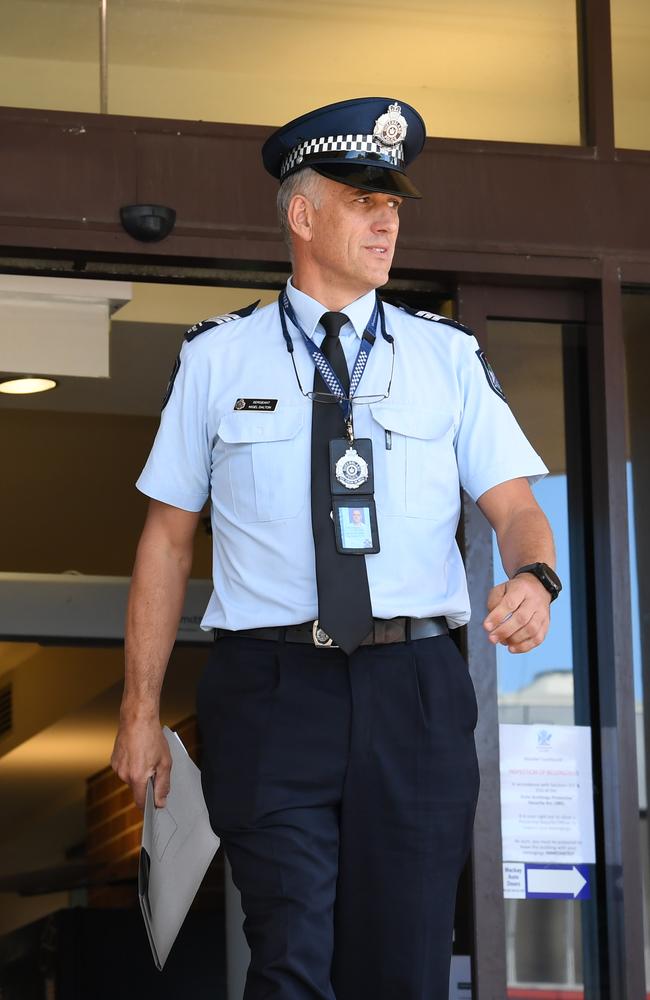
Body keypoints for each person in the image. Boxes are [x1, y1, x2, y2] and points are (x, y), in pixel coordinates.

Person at [111, 97, 560, 999]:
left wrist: (536, 575)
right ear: (303, 213)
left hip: (416, 695)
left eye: (392, 202)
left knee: (401, 968)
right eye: (363, 199)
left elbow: (514, 504)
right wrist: (138, 712)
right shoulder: (216, 360)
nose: (386, 217)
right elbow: (166, 541)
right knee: (290, 961)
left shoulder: (449, 359)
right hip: (272, 693)